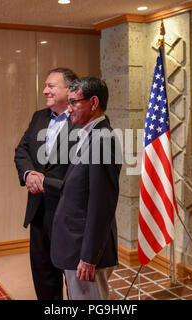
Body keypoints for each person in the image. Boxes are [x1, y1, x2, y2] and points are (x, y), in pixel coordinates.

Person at [44, 77, 122, 300]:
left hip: (85, 252)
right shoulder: (90, 135)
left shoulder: (103, 140)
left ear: (94, 102)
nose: (68, 110)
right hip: (76, 246)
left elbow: (102, 204)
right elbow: (78, 189)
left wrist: (89, 256)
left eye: (73, 103)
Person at [14, 67, 78, 300]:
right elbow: (22, 150)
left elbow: (82, 170)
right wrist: (29, 173)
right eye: (45, 86)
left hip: (69, 213)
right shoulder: (38, 117)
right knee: (43, 276)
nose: (45, 91)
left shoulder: (82, 121)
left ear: (69, 89)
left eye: (51, 86)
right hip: (39, 211)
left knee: (74, 279)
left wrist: (47, 181)